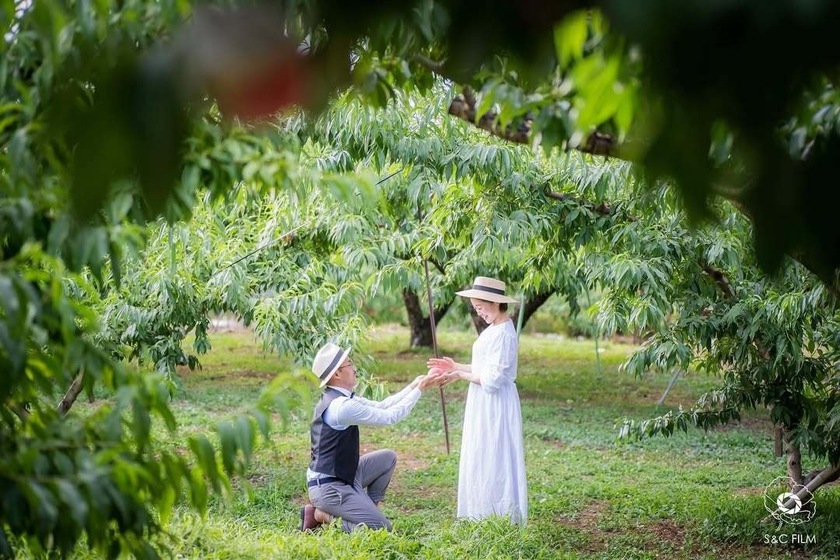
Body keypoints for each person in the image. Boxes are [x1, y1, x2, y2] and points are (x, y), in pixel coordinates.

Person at [300, 342, 444, 532]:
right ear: (337, 374)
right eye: (349, 364)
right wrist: (420, 390)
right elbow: (390, 417)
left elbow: (383, 406)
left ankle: (368, 508)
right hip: (330, 488)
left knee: (387, 458)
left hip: (344, 477)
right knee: (381, 529)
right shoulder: (342, 407)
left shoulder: (343, 398)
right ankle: (320, 515)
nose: (355, 368)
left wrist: (414, 385)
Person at [427, 276, 528, 524]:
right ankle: (481, 511)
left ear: (496, 303)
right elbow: (485, 367)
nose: (479, 312)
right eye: (476, 308)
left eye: (481, 307)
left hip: (494, 404)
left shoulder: (505, 334)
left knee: (494, 453)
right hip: (483, 401)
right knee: (482, 451)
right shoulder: (495, 330)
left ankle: (498, 513)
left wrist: (460, 374)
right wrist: (456, 366)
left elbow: (493, 379)